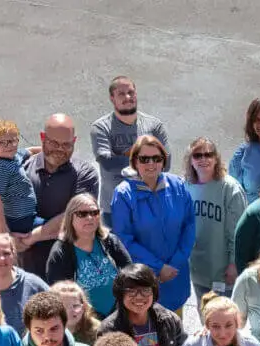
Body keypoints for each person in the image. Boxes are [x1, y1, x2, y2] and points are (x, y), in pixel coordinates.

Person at [112, 134, 196, 313]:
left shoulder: (178, 186)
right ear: (135, 161)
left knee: (174, 333)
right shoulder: (123, 194)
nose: (151, 164)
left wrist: (174, 265)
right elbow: (124, 240)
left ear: (163, 161)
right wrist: (158, 267)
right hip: (143, 281)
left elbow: (189, 227)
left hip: (175, 276)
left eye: (156, 158)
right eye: (144, 159)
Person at [18, 114, 101, 278]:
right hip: (22, 271)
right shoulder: (21, 167)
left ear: (74, 141)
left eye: (66, 145)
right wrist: (5, 234)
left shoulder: (85, 174)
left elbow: (74, 218)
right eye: (54, 143)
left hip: (66, 273)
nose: (60, 150)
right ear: (42, 138)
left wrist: (28, 239)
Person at [92, 76, 169, 226]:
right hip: (114, 210)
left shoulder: (154, 125)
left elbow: (166, 162)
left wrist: (127, 156)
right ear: (112, 98)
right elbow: (108, 164)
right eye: (121, 94)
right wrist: (148, 158)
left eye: (131, 92)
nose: (128, 97)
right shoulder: (101, 127)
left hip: (149, 206)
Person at [46, 193, 133, 317]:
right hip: (84, 318)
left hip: (119, 313)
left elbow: (130, 273)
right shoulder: (61, 252)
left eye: (94, 212)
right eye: (82, 214)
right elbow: (60, 293)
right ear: (70, 218)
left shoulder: (110, 241)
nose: (90, 218)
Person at [185, 137, 248, 298]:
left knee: (224, 318)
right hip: (198, 269)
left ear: (216, 159)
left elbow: (239, 232)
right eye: (197, 155)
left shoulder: (230, 189)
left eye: (208, 154)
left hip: (224, 271)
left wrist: (234, 263)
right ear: (191, 160)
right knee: (205, 318)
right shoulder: (186, 186)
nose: (203, 159)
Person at [0, 119, 42, 252]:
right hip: (19, 220)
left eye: (13, 140)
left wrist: (49, 150)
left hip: (30, 214)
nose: (9, 145)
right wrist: (3, 231)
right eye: (3, 143)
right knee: (57, 227)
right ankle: (22, 242)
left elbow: (30, 151)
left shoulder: (15, 156)